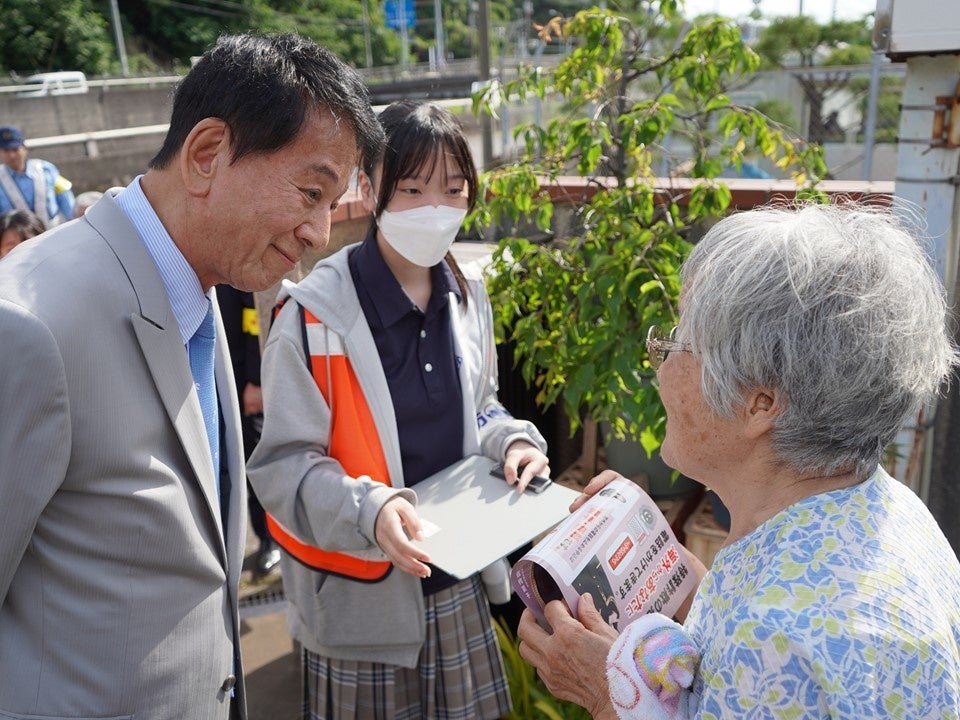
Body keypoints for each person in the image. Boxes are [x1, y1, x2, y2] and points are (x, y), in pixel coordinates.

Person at [0, 33, 382, 720]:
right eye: (310, 192)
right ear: (207, 155)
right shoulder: (28, 325)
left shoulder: (197, 290)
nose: (320, 232)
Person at [515, 203, 960, 720]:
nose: (659, 369)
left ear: (762, 404)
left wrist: (607, 691)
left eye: (678, 345)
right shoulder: (883, 506)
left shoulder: (771, 635)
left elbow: (762, 644)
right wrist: (660, 561)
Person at [248, 99, 551, 720]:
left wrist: (513, 442)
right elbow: (282, 467)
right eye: (411, 188)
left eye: (453, 188)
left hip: (458, 583)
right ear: (369, 187)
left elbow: (483, 408)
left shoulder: (468, 294)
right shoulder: (309, 316)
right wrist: (372, 508)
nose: (435, 207)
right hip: (363, 607)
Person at [217, 283, 281, 579]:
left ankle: (273, 541)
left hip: (245, 382)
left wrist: (255, 380)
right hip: (219, 374)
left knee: (257, 464)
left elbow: (255, 314)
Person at [0, 125, 76, 226]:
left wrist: (74, 223)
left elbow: (66, 199)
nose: (11, 155)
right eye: (6, 151)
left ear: (24, 149)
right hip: (20, 238)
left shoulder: (46, 169)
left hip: (54, 230)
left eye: (15, 149)